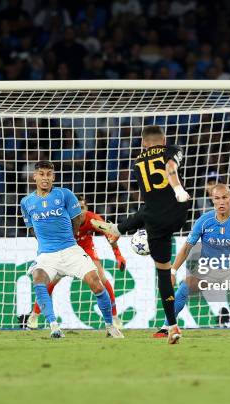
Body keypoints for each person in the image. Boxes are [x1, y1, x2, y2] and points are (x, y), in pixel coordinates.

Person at [91, 125, 190, 344]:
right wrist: (178, 190)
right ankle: (117, 229)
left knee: (163, 274)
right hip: (177, 212)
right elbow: (171, 167)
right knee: (150, 211)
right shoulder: (171, 149)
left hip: (154, 220)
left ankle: (172, 326)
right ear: (163, 140)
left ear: (143, 143)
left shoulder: (137, 163)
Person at [20, 161, 124, 339]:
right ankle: (53, 326)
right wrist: (46, 244)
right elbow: (31, 228)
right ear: (34, 176)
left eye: (49, 174)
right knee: (39, 280)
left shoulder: (65, 194)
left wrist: (67, 238)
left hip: (70, 249)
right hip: (47, 255)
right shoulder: (26, 202)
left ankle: (110, 325)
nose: (45, 178)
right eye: (41, 174)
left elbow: (77, 221)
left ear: (54, 177)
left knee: (96, 282)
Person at [157, 184, 230, 336]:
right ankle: (166, 328)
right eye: (217, 198)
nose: (221, 202)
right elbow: (186, 248)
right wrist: (172, 271)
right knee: (185, 285)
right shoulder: (204, 221)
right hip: (206, 272)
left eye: (225, 198)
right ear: (212, 200)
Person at [26, 195, 126, 329]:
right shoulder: (63, 219)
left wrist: (118, 256)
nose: (79, 211)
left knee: (101, 278)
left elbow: (110, 235)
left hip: (85, 249)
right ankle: (34, 315)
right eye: (76, 208)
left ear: (87, 208)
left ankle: (114, 317)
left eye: (82, 208)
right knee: (50, 281)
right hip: (64, 250)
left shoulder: (93, 219)